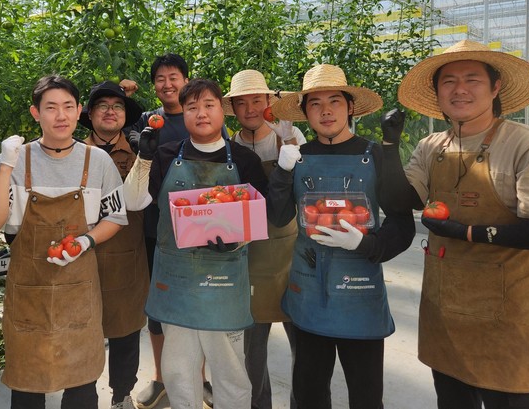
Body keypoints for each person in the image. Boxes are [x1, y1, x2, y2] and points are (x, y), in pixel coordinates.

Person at [394, 40, 529, 409]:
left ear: (496, 88)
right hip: (444, 311)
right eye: (448, 81)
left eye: (472, 79)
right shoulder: (432, 146)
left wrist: (466, 232)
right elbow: (403, 200)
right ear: (437, 92)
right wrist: (386, 147)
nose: (459, 89)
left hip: (508, 319)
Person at [0, 75, 127, 409]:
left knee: (82, 387)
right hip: (29, 293)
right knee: (28, 385)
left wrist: (85, 241)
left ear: (79, 111)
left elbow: (115, 217)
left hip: (80, 292)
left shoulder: (98, 162)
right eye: (51, 108)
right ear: (35, 113)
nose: (61, 115)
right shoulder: (15, 160)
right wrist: (6, 166)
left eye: (68, 107)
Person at [266, 64, 415, 409]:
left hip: (359, 291)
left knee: (366, 395)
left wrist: (368, 244)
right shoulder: (299, 157)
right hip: (308, 289)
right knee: (309, 393)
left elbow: (401, 223)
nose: (326, 111)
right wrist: (282, 171)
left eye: (334, 101)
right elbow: (278, 216)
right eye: (315, 104)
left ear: (350, 107)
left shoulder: (374, 154)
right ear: (305, 113)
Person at [124, 78, 268, 409]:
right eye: (192, 107)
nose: (201, 113)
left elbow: (262, 216)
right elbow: (133, 201)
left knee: (231, 371)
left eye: (208, 105)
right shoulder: (164, 155)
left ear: (222, 111)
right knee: (178, 371)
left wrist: (236, 241)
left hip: (224, 282)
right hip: (177, 281)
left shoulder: (244, 160)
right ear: (183, 113)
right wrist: (143, 157)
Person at [126, 53, 210, 409]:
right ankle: (160, 378)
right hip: (156, 228)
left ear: (186, 80)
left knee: (199, 300)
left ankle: (201, 378)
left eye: (173, 76)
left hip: (197, 226)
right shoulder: (149, 120)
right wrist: (125, 100)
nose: (167, 84)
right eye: (160, 78)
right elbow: (117, 123)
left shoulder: (200, 118)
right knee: (158, 305)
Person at [222, 69, 305, 409]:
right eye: (241, 103)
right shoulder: (229, 146)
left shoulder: (289, 135)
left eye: (257, 100)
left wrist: (290, 144)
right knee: (253, 351)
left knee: (302, 344)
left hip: (291, 251)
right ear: (233, 109)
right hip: (250, 255)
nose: (250, 109)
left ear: (269, 101)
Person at [79, 80, 148, 409]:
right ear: (90, 114)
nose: (111, 111)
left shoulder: (140, 152)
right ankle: (84, 398)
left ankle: (122, 395)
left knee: (126, 334)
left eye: (118, 106)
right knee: (83, 336)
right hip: (83, 260)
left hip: (126, 259)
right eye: (103, 106)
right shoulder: (73, 153)